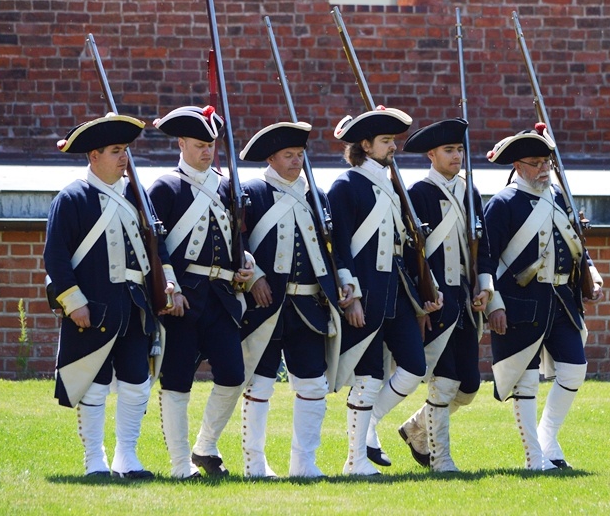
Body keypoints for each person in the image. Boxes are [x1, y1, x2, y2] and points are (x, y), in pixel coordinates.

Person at [44, 113, 185, 479]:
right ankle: (95, 461)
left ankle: (128, 457)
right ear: (94, 156)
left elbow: (159, 248)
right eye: (115, 151)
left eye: (124, 150)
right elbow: (56, 258)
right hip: (95, 308)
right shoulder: (72, 198)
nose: (124, 158)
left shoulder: (137, 197)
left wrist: (168, 283)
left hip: (135, 307)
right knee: (94, 383)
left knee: (137, 382)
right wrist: (74, 303)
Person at [327, 106, 443, 476]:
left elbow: (409, 244)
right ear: (365, 145)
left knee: (414, 366)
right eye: (386, 141)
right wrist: (352, 295)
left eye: (393, 140)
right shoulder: (346, 186)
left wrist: (429, 289)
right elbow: (339, 246)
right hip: (367, 294)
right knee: (368, 376)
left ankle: (370, 425)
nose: (393, 147)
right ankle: (355, 460)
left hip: (397, 292)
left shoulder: (393, 186)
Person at [482, 124, 604, 471]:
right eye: (535, 162)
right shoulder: (503, 204)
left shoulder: (559, 198)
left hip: (562, 301)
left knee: (574, 369)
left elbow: (576, 244)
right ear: (518, 167)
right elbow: (486, 260)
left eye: (547, 161)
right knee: (525, 377)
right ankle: (534, 457)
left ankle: (548, 438)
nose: (544, 168)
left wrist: (591, 271)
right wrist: (494, 304)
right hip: (520, 303)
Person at [148, 105, 255, 479]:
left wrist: (247, 263)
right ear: (181, 143)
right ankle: (180, 466)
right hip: (185, 298)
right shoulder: (165, 187)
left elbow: (237, 238)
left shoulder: (226, 186)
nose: (206, 151)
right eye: (198, 144)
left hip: (222, 295)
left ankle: (205, 446)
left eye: (210, 144)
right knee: (176, 379)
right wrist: (170, 288)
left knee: (232, 374)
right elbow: (155, 246)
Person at [237, 122, 342, 479]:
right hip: (267, 307)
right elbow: (238, 243)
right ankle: (254, 463)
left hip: (310, 306)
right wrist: (254, 277)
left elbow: (332, 247)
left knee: (313, 385)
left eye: (300, 154)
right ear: (271, 158)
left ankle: (304, 464)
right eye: (288, 155)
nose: (296, 161)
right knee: (260, 383)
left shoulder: (316, 195)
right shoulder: (251, 192)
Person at [396, 118, 494, 472]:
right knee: (446, 381)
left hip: (466, 302)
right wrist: (426, 295)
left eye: (460, 150)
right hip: (437, 301)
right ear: (432, 154)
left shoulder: (471, 192)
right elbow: (413, 254)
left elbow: (483, 247)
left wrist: (484, 285)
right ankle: (441, 459)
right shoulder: (417, 194)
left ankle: (414, 428)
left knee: (468, 387)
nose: (457, 156)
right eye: (449, 150)